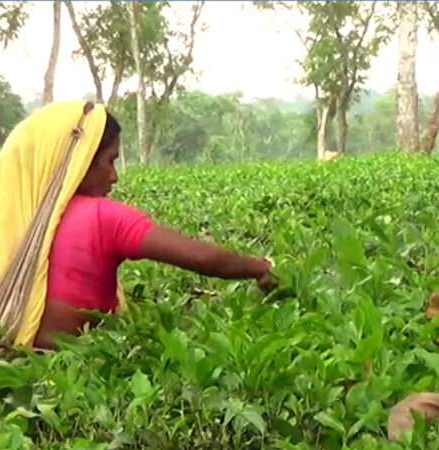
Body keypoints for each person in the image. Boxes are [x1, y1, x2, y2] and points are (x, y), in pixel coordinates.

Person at [32, 109, 275, 349]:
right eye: (110, 161)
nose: (114, 176)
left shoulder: (32, 214)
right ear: (82, 161)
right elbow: (203, 258)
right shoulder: (103, 216)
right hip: (76, 362)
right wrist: (260, 268)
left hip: (25, 357)